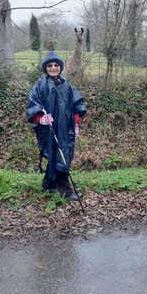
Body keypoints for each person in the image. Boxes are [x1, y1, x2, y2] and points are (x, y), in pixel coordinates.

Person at [27, 50, 87, 200]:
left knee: (60, 154)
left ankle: (49, 185)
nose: (53, 68)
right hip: (49, 129)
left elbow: (76, 106)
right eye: (49, 65)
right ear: (45, 67)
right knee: (57, 155)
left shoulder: (66, 85)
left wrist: (76, 125)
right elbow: (33, 105)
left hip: (66, 128)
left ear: (60, 66)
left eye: (56, 65)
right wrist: (41, 119)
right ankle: (66, 191)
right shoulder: (40, 85)